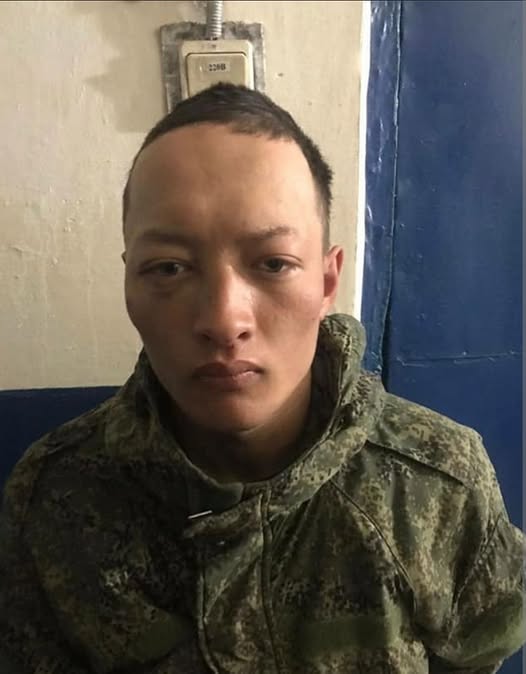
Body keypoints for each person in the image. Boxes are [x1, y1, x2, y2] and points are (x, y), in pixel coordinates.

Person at [0, 83, 523, 674]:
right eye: (168, 268)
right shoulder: (55, 495)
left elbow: (479, 652)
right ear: (129, 283)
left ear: (327, 282)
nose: (225, 321)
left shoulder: (440, 481)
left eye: (273, 264)